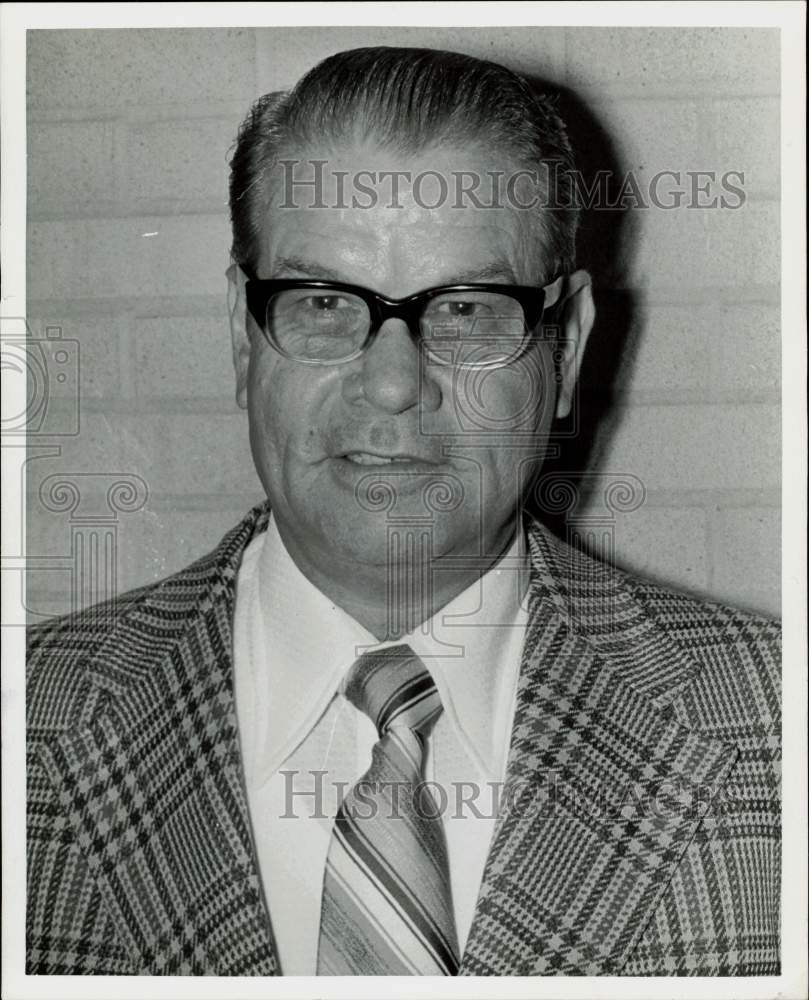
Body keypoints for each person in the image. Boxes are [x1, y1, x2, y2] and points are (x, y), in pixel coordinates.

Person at [26, 46, 780, 977]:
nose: (391, 385)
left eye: (465, 309)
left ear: (567, 350)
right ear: (240, 332)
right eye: (323, 302)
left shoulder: (772, 726)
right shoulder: (27, 719)